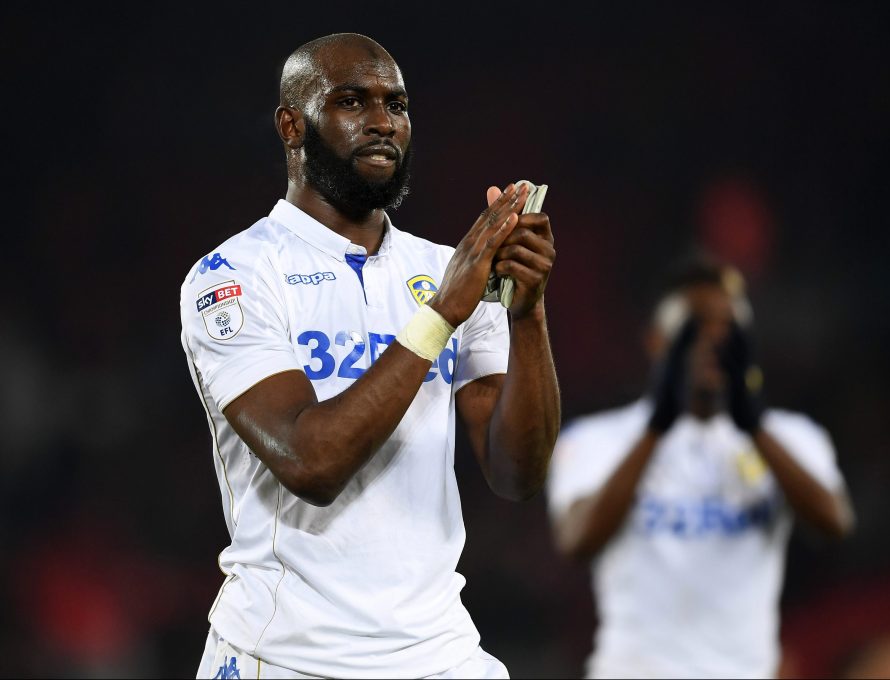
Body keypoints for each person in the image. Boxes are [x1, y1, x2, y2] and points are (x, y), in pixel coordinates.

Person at [179, 33, 559, 679]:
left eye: (398, 104)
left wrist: (526, 313)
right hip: (290, 655)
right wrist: (439, 316)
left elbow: (516, 475)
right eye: (352, 101)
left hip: (439, 652)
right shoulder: (235, 277)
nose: (383, 122)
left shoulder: (444, 270)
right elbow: (312, 462)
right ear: (292, 125)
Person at [546, 256, 854, 678]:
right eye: (695, 329)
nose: (713, 342)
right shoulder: (597, 439)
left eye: (727, 330)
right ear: (657, 341)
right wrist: (658, 426)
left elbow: (834, 523)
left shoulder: (792, 437)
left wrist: (754, 424)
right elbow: (576, 540)